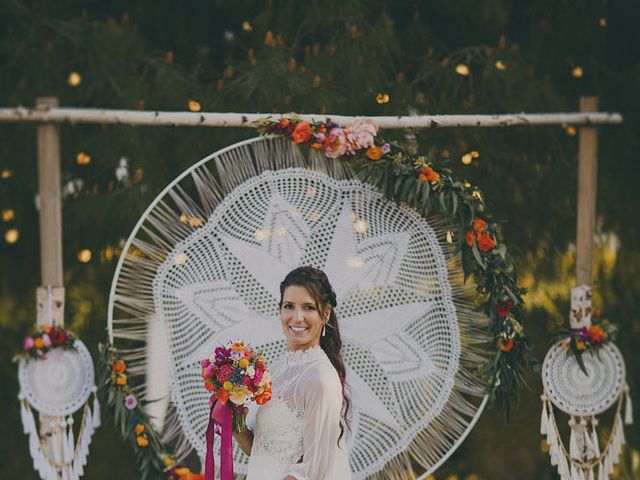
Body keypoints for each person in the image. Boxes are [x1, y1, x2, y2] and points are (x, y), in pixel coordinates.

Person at [234, 266, 352, 480]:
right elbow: (263, 452)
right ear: (279, 310)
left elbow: (313, 469)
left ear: (325, 314)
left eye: (308, 308)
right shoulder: (278, 368)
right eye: (289, 306)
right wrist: (235, 422)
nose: (297, 318)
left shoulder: (319, 378)